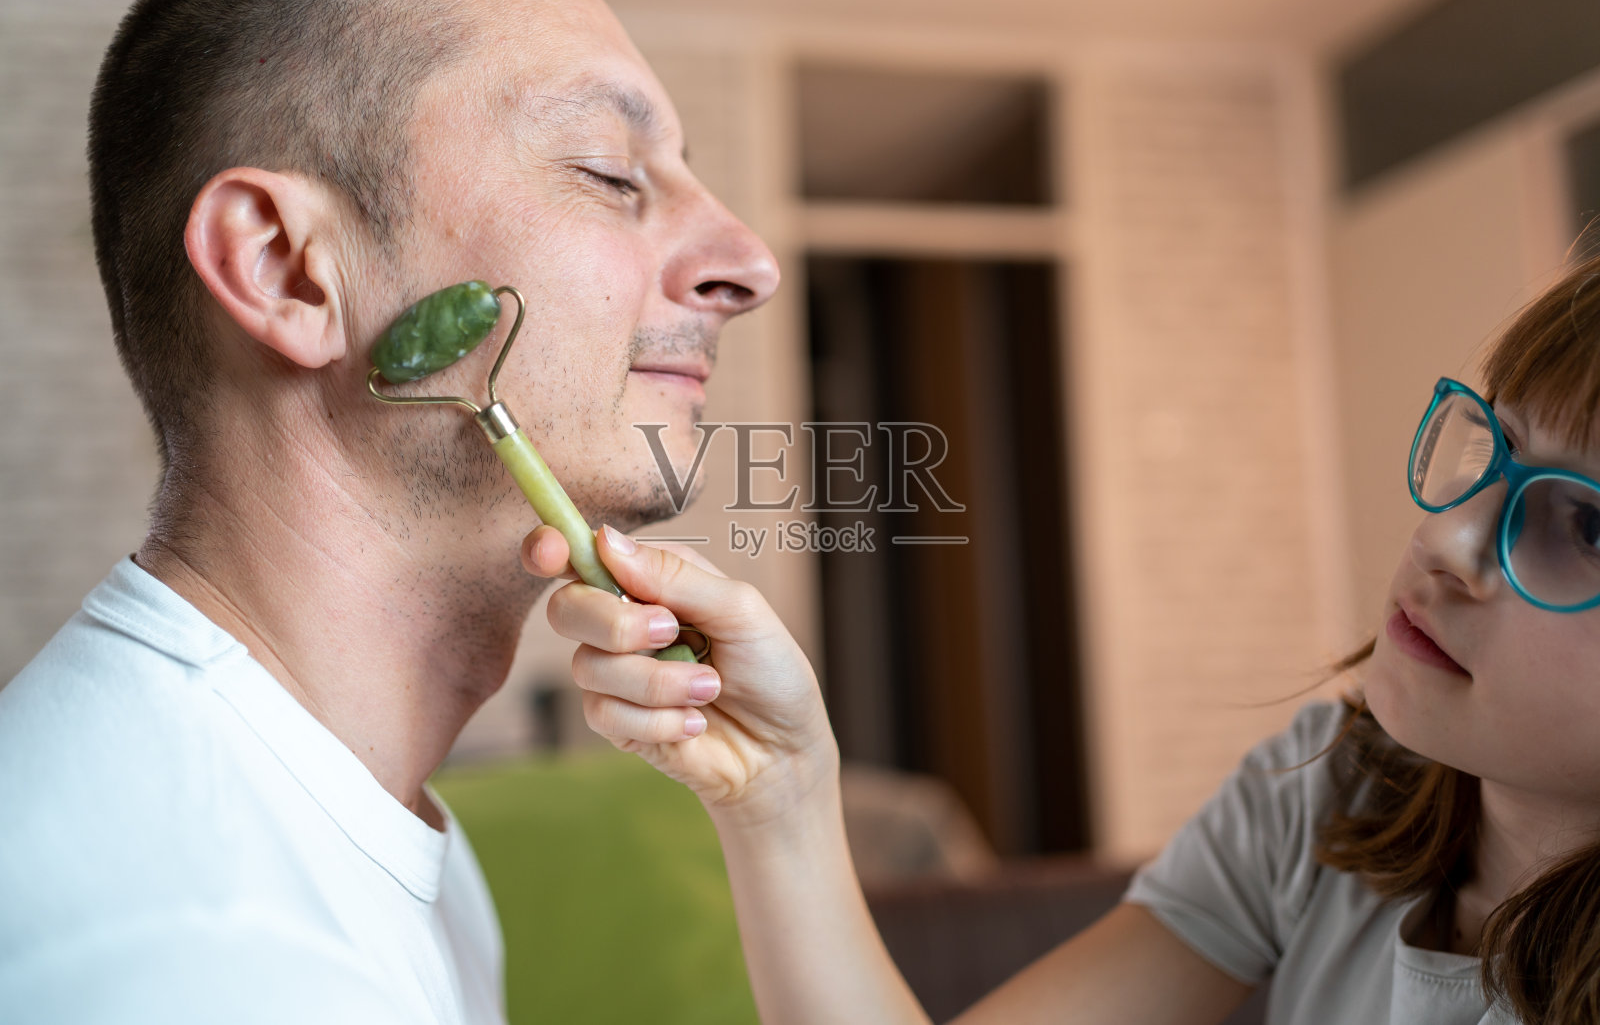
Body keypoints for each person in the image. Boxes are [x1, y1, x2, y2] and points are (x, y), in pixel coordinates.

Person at [527, 251, 1600, 1025]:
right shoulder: (1326, 792)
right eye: (1492, 448)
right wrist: (779, 794)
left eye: (1584, 525)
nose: (1447, 538)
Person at [0, 0, 777, 1020]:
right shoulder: (185, 952)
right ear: (285, 266)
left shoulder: (372, 829)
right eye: (608, 170)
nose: (749, 263)